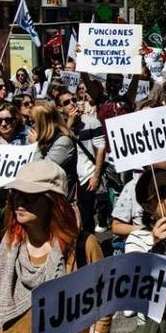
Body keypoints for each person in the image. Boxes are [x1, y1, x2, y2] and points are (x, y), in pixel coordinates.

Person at [0, 161, 110, 333]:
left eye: (30, 195)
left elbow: (103, 310)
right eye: (16, 194)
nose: (20, 201)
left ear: (53, 200)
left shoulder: (82, 246)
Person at [57, 91, 105, 231]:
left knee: (86, 219)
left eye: (73, 100)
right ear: (60, 108)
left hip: (87, 178)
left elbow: (101, 149)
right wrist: (70, 124)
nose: (72, 104)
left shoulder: (92, 122)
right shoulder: (58, 127)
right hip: (68, 181)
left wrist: (96, 176)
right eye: (66, 103)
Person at [30, 100, 78, 200]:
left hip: (60, 202)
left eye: (33, 122)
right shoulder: (43, 141)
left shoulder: (63, 142)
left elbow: (43, 171)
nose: (31, 126)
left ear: (43, 123)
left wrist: (35, 146)